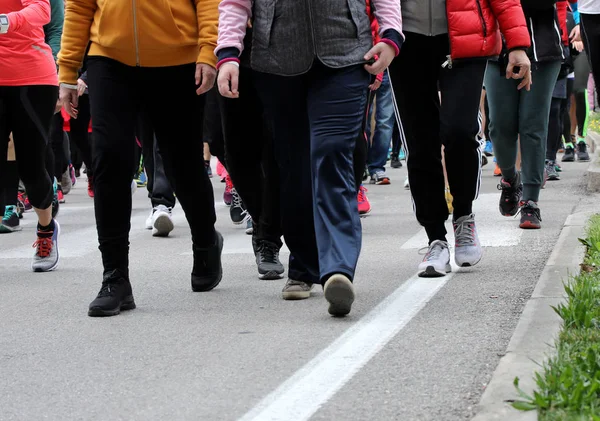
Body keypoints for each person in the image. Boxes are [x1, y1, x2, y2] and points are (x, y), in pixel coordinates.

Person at [217, 0, 403, 316]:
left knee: (331, 154)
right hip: (276, 62)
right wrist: (228, 53)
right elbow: (234, 3)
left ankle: (337, 269)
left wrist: (390, 34)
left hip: (345, 55)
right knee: (294, 166)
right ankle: (303, 266)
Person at [58, 0, 222, 317]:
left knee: (182, 164)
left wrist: (208, 50)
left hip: (176, 59)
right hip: (108, 59)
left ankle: (205, 241)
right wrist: (67, 70)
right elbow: (79, 6)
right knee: (108, 157)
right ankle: (115, 277)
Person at [389, 0, 531, 277]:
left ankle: (464, 216)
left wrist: (517, 45)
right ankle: (435, 240)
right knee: (420, 142)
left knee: (460, 130)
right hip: (405, 40)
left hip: (465, 38)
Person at [487, 0, 563, 230]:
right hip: (496, 49)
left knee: (533, 124)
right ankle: (510, 179)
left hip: (542, 47)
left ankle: (530, 200)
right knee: (500, 125)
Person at [0, 0, 61, 271]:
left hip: (31, 76)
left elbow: (42, 10)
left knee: (31, 166)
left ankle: (46, 230)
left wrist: (6, 21)